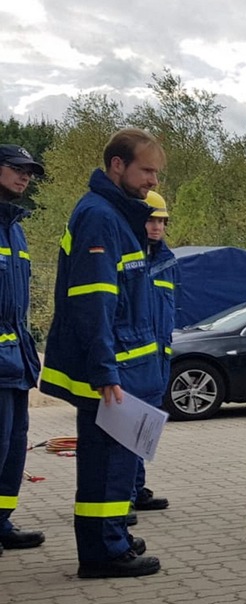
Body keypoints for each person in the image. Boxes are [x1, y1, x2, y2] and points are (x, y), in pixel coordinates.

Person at [41, 128, 168, 578]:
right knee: (106, 464)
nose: (153, 181)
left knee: (120, 462)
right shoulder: (99, 217)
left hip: (128, 364)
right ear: (118, 165)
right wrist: (104, 368)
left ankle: (113, 536)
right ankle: (101, 552)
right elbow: (94, 300)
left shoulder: (115, 215)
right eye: (146, 170)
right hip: (113, 368)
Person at [0, 145, 47, 557]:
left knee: (13, 451)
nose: (25, 177)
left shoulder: (15, 228)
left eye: (29, 171)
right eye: (17, 169)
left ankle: (2, 522)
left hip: (16, 364)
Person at [128, 190, 175, 517]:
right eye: (150, 220)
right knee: (126, 431)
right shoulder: (130, 256)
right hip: (133, 358)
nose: (156, 227)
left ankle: (137, 488)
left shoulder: (166, 260)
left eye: (161, 221)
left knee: (145, 429)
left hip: (158, 356)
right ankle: (123, 496)